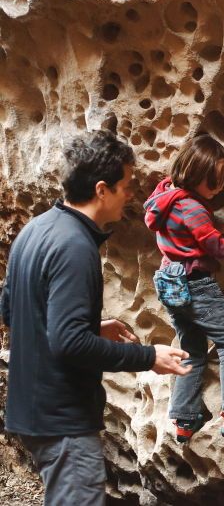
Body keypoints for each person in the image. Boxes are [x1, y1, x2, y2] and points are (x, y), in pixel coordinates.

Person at [0, 130, 192, 506]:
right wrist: (149, 358)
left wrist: (88, 324)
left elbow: (11, 310)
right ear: (102, 189)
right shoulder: (75, 246)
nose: (132, 194)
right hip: (63, 420)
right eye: (127, 185)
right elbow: (69, 343)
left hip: (33, 413)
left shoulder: (36, 229)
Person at [143, 134, 224, 443]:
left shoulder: (163, 195)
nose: (218, 187)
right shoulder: (194, 210)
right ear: (196, 175)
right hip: (196, 284)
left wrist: (213, 226)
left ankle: (184, 421)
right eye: (214, 181)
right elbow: (220, 249)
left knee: (193, 351)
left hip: (169, 282)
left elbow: (191, 237)